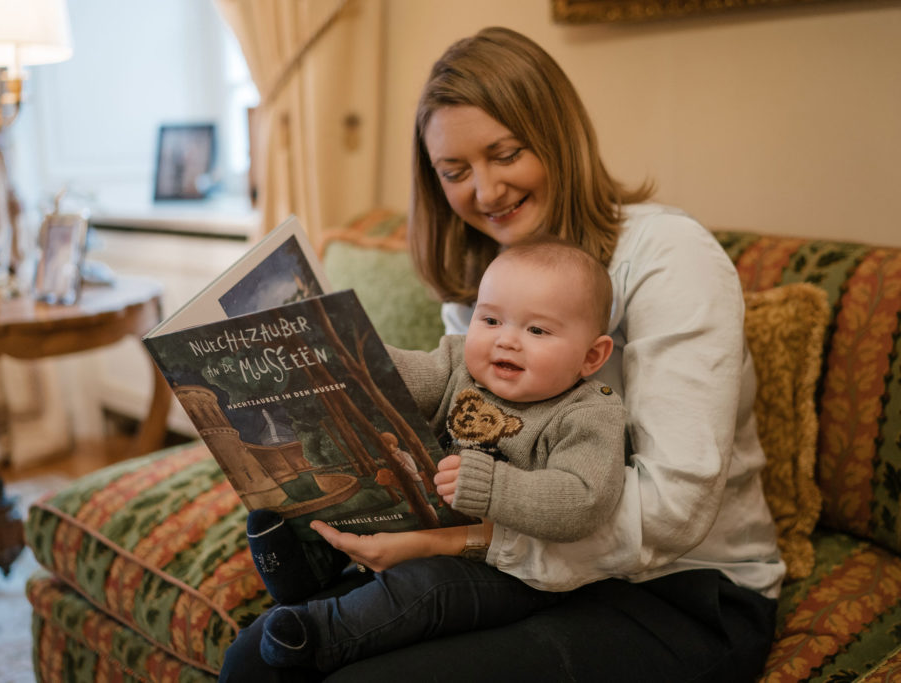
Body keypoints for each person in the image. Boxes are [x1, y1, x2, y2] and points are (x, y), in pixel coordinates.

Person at [220, 26, 783, 683]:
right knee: (253, 659)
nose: (485, 193)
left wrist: (462, 541)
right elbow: (448, 414)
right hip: (513, 567)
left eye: (505, 154)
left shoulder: (669, 256)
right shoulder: (484, 276)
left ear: (557, 136)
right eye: (455, 172)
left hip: (681, 589)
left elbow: (674, 510)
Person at [247, 238, 627, 672]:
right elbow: (399, 382)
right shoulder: (458, 364)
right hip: (423, 523)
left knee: (426, 589)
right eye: (490, 320)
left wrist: (490, 485)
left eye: (537, 330)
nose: (506, 341)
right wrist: (354, 358)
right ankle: (306, 570)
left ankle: (326, 633)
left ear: (591, 356)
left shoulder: (589, 412)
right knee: (351, 505)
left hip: (508, 573)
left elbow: (585, 501)